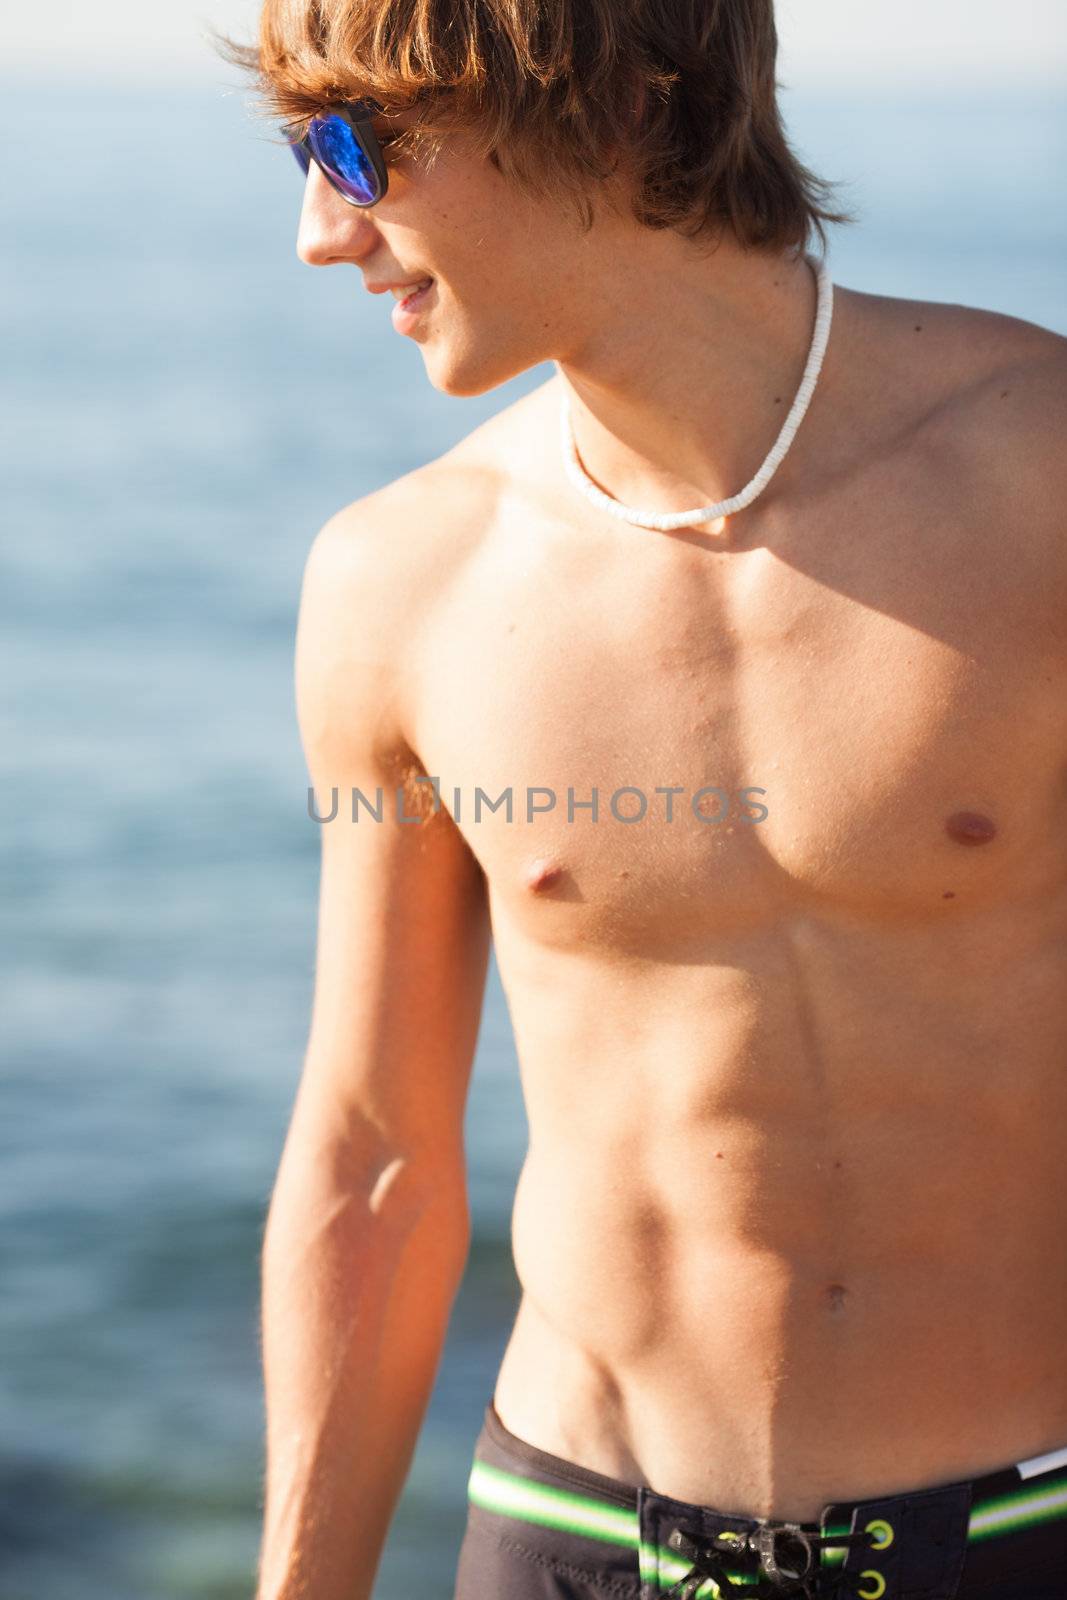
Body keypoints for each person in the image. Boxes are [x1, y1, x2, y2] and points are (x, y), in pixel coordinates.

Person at [220, 1, 1067, 1595]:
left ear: (601, 102)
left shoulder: (1044, 482)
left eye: (356, 143)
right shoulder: (399, 582)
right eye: (299, 148)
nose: (321, 232)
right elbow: (375, 1159)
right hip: (572, 1539)